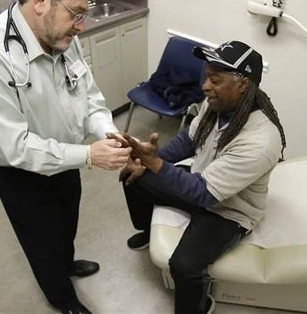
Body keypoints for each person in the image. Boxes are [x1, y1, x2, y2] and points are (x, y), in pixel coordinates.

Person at [0, 0, 131, 314]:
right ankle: (62, 298)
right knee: (40, 238)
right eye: (77, 13)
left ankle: (65, 265)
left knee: (67, 221)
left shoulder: (65, 38)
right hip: (20, 172)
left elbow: (90, 97)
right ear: (40, 0)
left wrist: (106, 132)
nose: (82, 25)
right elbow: (12, 147)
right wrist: (88, 154)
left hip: (66, 156)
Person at [118, 40, 286, 314]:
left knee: (184, 266)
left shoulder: (261, 140)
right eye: (206, 76)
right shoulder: (217, 104)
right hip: (203, 179)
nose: (205, 86)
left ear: (242, 84)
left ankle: (197, 307)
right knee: (133, 176)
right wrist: (146, 161)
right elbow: (188, 140)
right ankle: (147, 230)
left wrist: (156, 163)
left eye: (214, 80)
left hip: (229, 210)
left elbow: (202, 194)